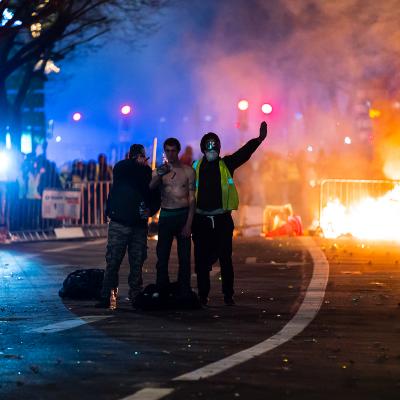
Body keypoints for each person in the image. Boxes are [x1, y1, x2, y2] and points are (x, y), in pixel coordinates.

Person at [192, 121, 268, 306]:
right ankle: (203, 296)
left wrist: (258, 140)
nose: (211, 148)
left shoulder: (227, 164)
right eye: (208, 145)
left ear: (218, 147)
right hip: (200, 220)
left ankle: (228, 295)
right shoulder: (194, 167)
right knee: (201, 262)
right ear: (203, 148)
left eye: (214, 145)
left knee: (225, 259)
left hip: (222, 220)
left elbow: (244, 153)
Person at [96, 144, 158, 309]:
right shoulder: (122, 168)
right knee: (113, 261)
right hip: (120, 222)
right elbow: (128, 170)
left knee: (137, 263)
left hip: (138, 224)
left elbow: (154, 195)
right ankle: (105, 295)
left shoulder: (146, 173)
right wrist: (137, 162)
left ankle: (135, 295)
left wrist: (151, 210)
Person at [149, 138, 196, 298]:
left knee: (184, 258)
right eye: (167, 151)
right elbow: (149, 187)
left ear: (178, 151)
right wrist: (160, 174)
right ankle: (162, 289)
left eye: (173, 150)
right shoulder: (160, 171)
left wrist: (188, 224)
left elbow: (192, 199)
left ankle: (184, 290)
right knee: (162, 257)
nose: (170, 153)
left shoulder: (188, 171)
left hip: (182, 215)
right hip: (166, 215)